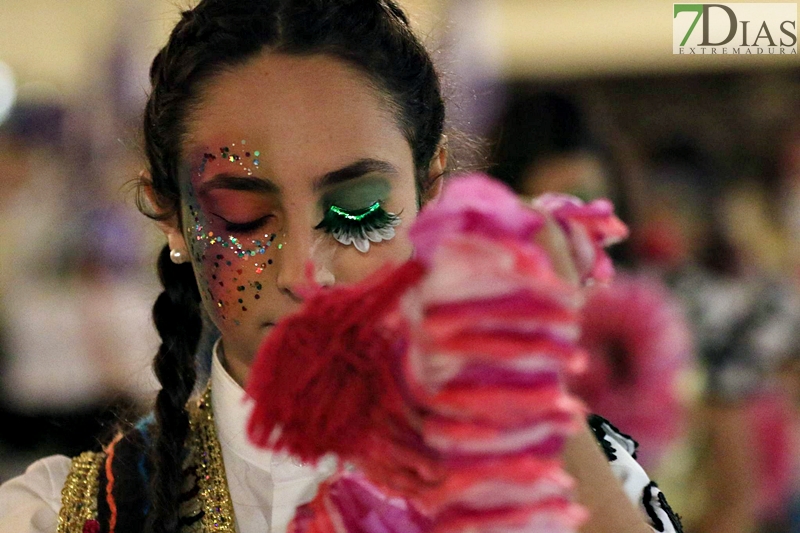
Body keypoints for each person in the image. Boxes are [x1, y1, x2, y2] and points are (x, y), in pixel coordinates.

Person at [0, 2, 680, 533]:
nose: (305, 269)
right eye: (242, 216)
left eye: (358, 211)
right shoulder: (66, 510)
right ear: (170, 215)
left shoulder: (568, 472)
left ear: (431, 191)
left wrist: (526, 400)